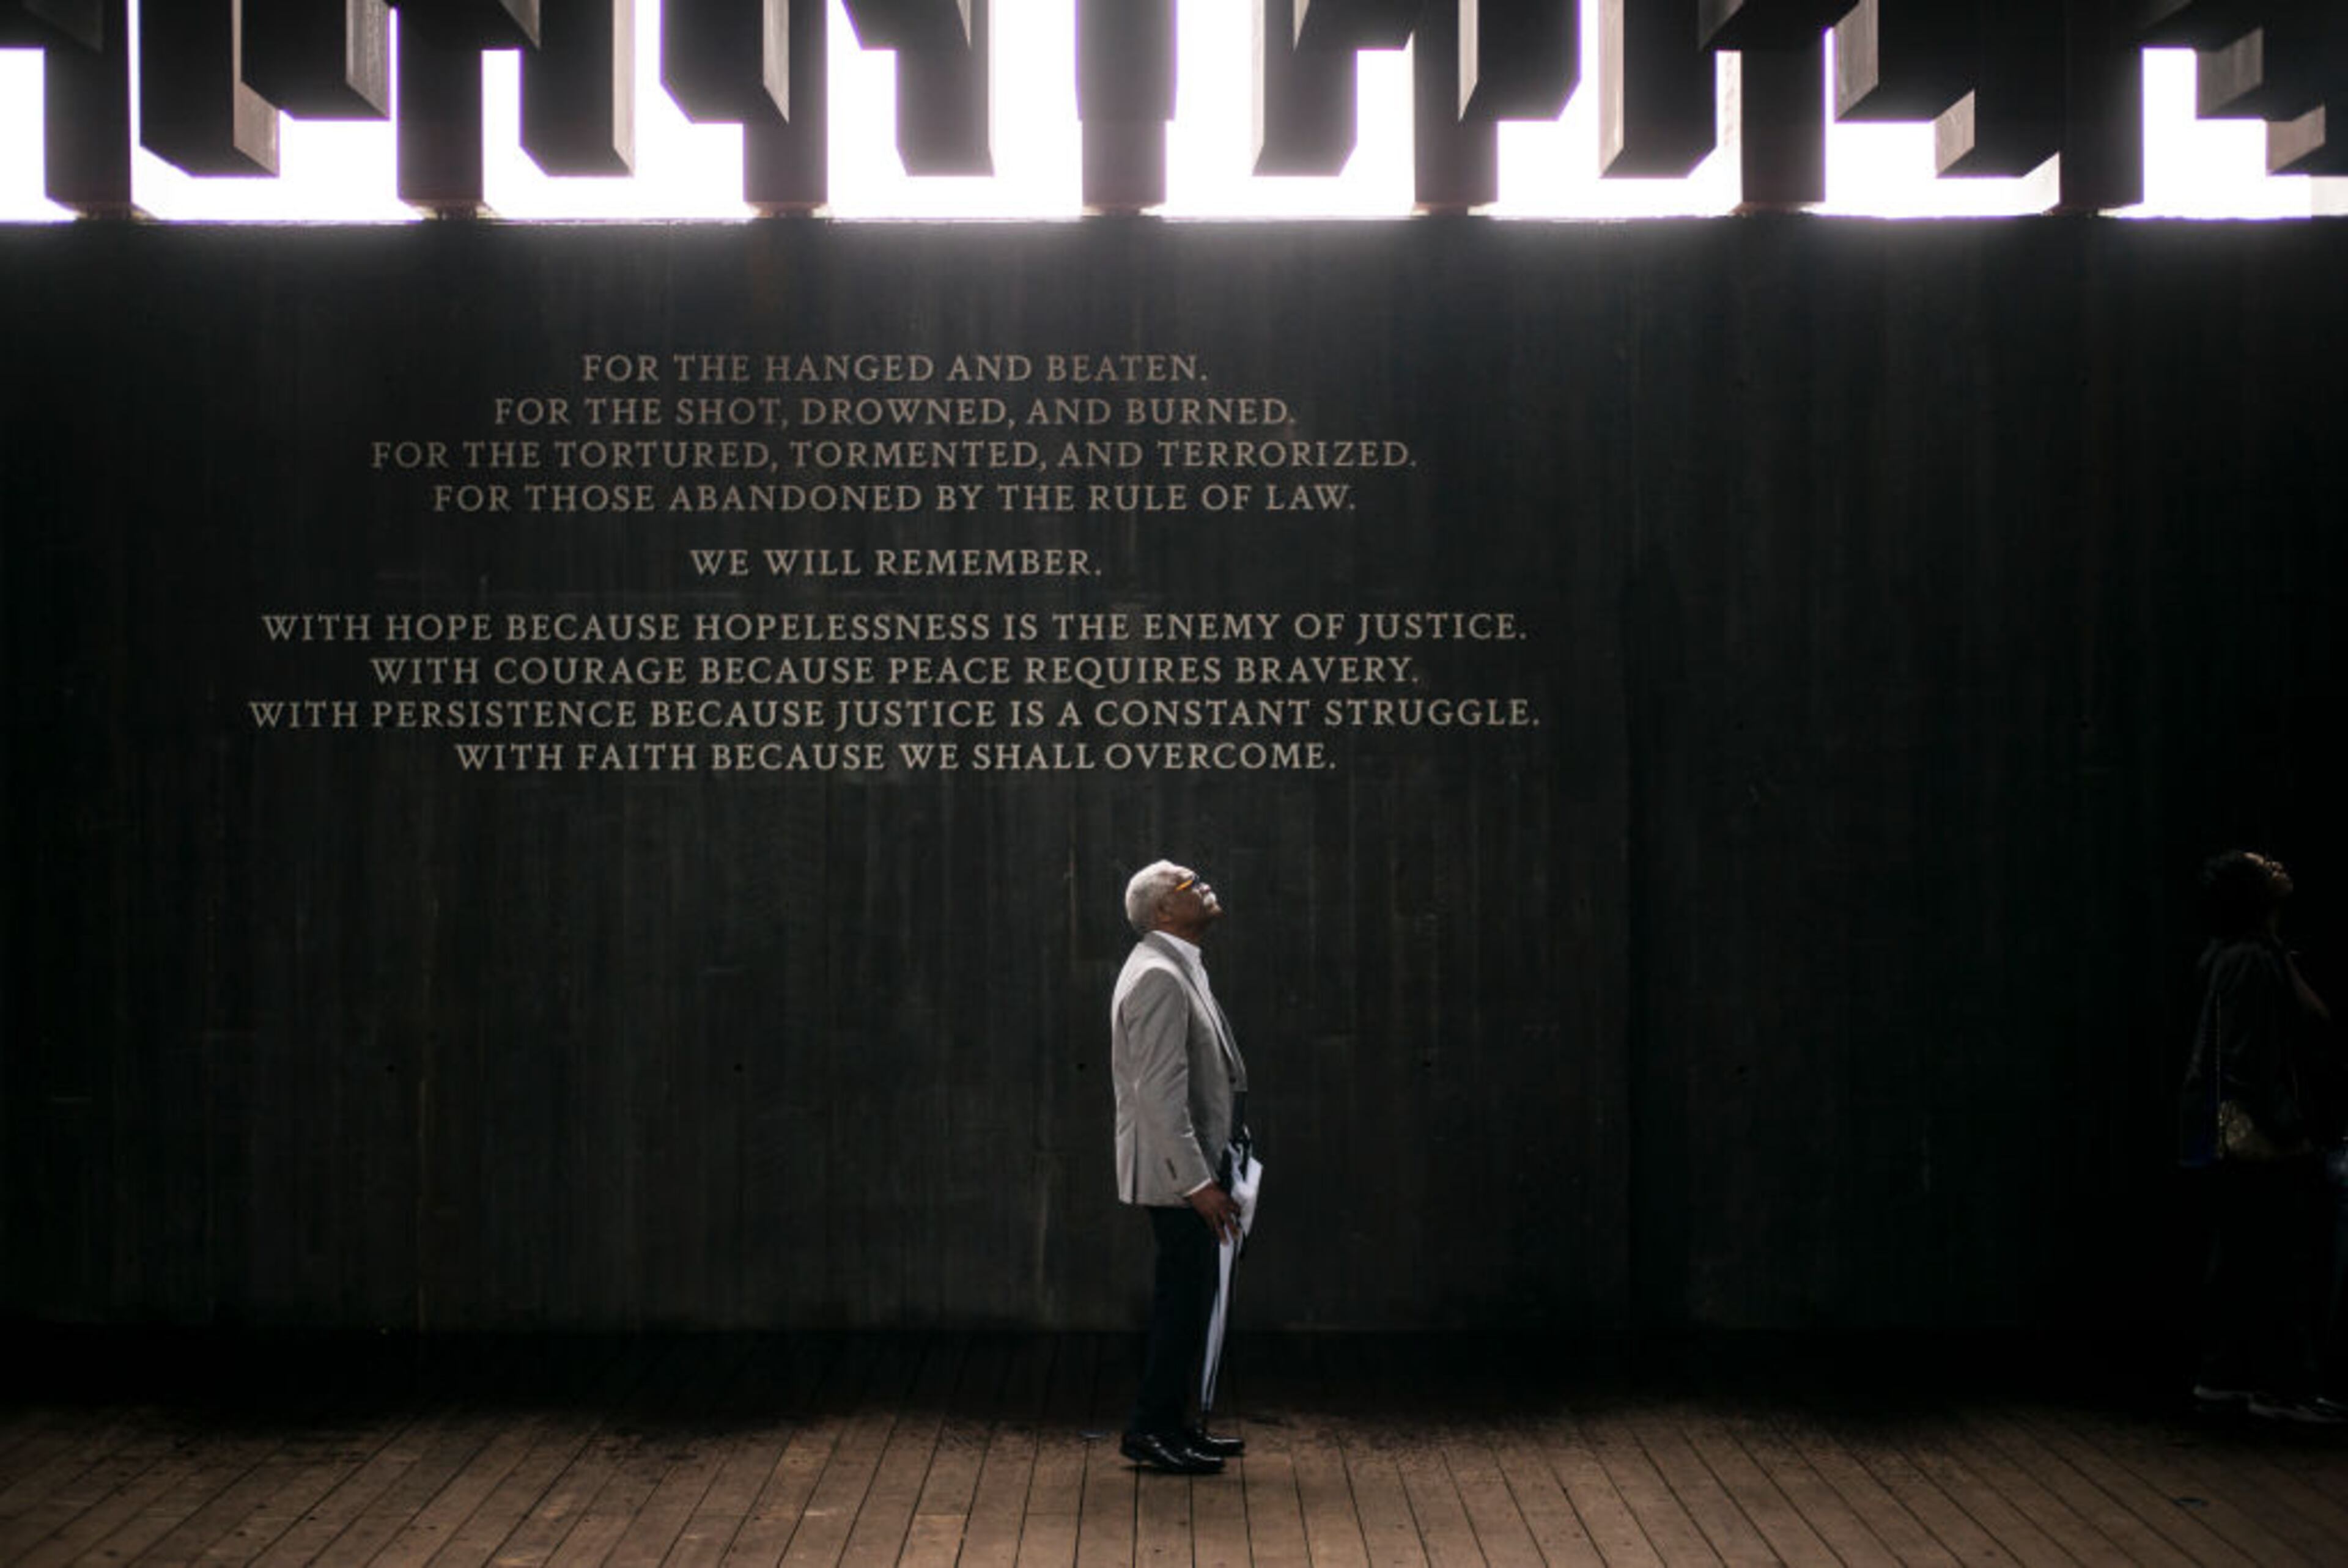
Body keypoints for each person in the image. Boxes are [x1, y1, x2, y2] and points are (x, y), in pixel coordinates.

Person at [2177, 850, 2342, 1423]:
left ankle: (2230, 1376)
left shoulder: (2250, 955)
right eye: (2262, 865)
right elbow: (2246, 1059)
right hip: (2252, 1131)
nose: (2275, 864)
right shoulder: (2249, 959)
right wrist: (2288, 1128)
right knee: (2279, 1257)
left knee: (2247, 1255)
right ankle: (2280, 1386)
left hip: (2234, 1127)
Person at [1110, 859, 1252, 1474]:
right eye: (1188, 884)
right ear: (1163, 912)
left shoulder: (1177, 966)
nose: (1204, 885)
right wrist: (1198, 1184)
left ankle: (1172, 1426)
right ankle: (1150, 1431)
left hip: (1193, 1166)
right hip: (1178, 1176)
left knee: (1191, 1301)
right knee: (1182, 1302)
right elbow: (1159, 1094)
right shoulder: (1159, 978)